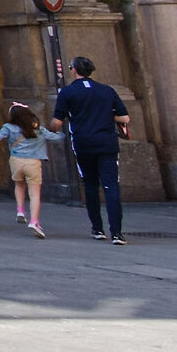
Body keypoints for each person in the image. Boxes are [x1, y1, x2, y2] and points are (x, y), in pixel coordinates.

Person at [52, 56, 131, 244]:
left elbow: (57, 123)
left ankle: (97, 228)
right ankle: (117, 233)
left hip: (83, 143)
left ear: (74, 70)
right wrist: (107, 116)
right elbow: (125, 118)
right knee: (111, 185)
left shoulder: (67, 92)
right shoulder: (107, 90)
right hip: (107, 142)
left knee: (90, 185)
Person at [0, 101, 52, 238]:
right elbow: (54, 137)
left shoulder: (8, 128)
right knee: (34, 194)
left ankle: (20, 210)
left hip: (16, 162)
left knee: (19, 185)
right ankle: (34, 221)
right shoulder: (38, 128)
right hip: (33, 163)